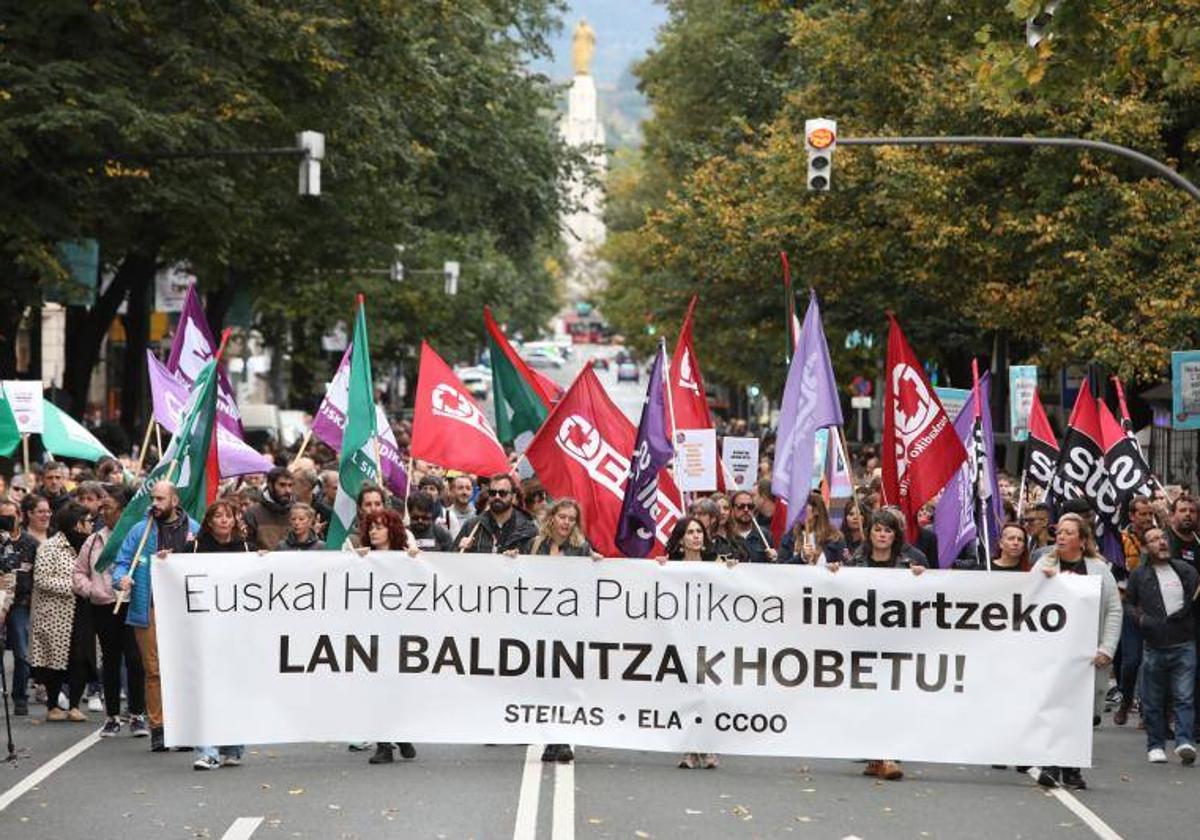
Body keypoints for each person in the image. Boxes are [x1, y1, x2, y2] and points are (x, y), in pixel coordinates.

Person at [1032, 513, 1122, 790]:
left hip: (1087, 655)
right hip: (1052, 654)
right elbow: (1027, 601)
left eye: (1068, 532)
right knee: (1052, 707)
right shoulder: (1043, 565)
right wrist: (1042, 581)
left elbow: (1114, 610)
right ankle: (1050, 763)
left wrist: (1107, 648)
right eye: (1058, 532)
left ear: (1082, 541)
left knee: (1080, 713)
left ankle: (1072, 769)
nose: (1060, 536)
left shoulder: (1099, 570)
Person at [836, 507, 924, 781]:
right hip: (862, 642)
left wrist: (922, 578)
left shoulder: (909, 563)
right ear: (869, 533)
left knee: (892, 696)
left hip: (897, 643)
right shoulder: (855, 563)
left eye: (888, 530)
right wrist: (832, 574)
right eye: (878, 529)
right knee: (867, 698)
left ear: (895, 535)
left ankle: (888, 755)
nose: (883, 535)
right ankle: (877, 756)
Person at [112, 481, 199, 752]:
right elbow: (122, 561)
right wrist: (120, 578)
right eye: (153, 498)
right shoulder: (141, 530)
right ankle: (159, 728)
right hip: (148, 607)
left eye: (161, 499)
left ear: (175, 500)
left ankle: (183, 727)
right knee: (155, 671)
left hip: (185, 609)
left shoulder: (194, 530)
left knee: (183, 669)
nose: (155, 504)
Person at [72, 486, 149, 737]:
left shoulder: (139, 536)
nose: (103, 512)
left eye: (109, 508)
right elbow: (78, 572)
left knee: (135, 659)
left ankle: (137, 714)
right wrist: (92, 590)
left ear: (124, 511)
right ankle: (112, 716)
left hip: (132, 603)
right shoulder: (94, 540)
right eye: (101, 507)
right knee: (111, 660)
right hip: (104, 606)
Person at [183, 499, 252, 769]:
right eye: (218, 516)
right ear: (209, 521)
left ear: (235, 520)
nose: (224, 520)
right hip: (203, 631)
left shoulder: (247, 549)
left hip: (237, 633)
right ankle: (207, 751)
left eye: (229, 516)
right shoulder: (194, 549)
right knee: (206, 688)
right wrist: (165, 560)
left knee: (233, 688)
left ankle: (232, 746)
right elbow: (174, 578)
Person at [1125, 527, 1197, 765]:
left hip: (1184, 643)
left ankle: (1184, 741)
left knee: (1184, 696)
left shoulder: (1185, 570)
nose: (1161, 543)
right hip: (1154, 646)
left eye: (1163, 538)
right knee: (1153, 700)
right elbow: (1129, 605)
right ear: (1146, 548)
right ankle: (1155, 745)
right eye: (1154, 540)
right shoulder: (1138, 575)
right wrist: (1142, 620)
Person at [355, 509, 420, 766]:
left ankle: (400, 733)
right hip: (372, 633)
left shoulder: (407, 557)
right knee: (376, 687)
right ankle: (385, 744)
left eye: (379, 527)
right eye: (371, 527)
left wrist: (416, 560)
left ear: (391, 529)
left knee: (397, 687)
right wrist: (356, 560)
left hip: (401, 633)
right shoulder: (362, 558)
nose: (373, 531)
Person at [664, 516, 722, 770]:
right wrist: (660, 568)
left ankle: (707, 747)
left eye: (699, 531)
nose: (697, 536)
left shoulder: (716, 563)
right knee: (685, 691)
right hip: (680, 636)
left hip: (709, 636)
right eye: (690, 532)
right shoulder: (670, 566)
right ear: (681, 539)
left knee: (707, 691)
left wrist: (731, 570)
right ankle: (688, 748)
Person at [29, 502, 93, 722]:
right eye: (87, 521)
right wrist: (74, 586)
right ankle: (53, 705)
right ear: (77, 524)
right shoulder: (49, 546)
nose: (91, 524)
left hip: (84, 610)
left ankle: (74, 705)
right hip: (56, 613)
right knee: (55, 660)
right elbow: (41, 579)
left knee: (82, 657)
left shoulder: (90, 545)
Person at [0, 497, 39, 716]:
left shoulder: (31, 543)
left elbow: (36, 576)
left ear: (20, 516)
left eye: (10, 516)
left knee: (22, 653)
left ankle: (20, 697)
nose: (6, 521)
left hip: (21, 604)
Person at [455, 473, 538, 554]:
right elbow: (452, 560)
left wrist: (518, 559)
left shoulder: (528, 529)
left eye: (503, 493)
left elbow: (536, 563)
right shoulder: (472, 526)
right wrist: (459, 548)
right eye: (493, 493)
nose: (497, 497)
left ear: (513, 497)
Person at [779, 493, 847, 566]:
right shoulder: (790, 536)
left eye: (803, 506)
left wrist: (836, 567)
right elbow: (780, 568)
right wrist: (801, 557)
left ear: (816, 511)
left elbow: (845, 566)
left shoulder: (835, 537)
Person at [242, 466, 295, 551]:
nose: (287, 490)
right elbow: (247, 544)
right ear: (270, 485)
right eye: (282, 485)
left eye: (290, 485)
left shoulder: (297, 512)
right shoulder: (253, 513)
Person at [527, 499, 596, 559]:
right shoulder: (534, 544)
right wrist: (516, 560)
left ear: (575, 523)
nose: (566, 522)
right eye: (562, 517)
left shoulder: (583, 548)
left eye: (571, 519)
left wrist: (596, 563)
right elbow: (523, 570)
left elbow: (589, 572)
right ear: (552, 518)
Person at [691, 497, 747, 563]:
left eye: (701, 514)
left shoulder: (721, 544)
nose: (696, 517)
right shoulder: (686, 539)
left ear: (713, 518)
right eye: (694, 514)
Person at [728, 490, 778, 563]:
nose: (746, 510)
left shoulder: (764, 535)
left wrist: (774, 558)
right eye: (741, 506)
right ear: (732, 509)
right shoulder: (727, 536)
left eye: (750, 506)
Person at [1167, 495, 1199, 573]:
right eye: (1182, 510)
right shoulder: (1163, 541)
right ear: (1172, 515)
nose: (1188, 514)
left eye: (1192, 511)